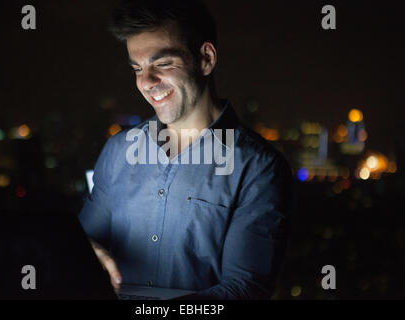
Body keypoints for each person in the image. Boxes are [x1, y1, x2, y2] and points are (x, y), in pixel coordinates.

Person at [79, 0, 293, 300]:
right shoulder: (118, 151)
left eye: (162, 64)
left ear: (205, 58)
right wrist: (87, 252)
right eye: (137, 68)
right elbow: (84, 241)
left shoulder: (257, 168)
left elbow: (245, 290)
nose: (146, 82)